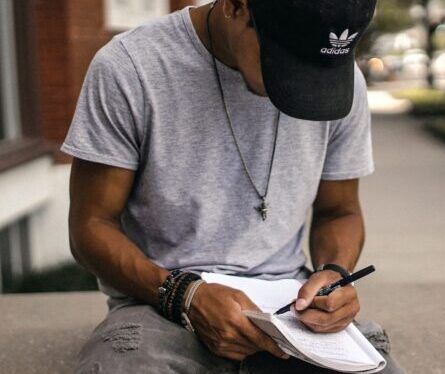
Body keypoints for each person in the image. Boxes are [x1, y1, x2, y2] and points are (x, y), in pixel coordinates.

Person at [63, 0, 404, 372]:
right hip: (159, 302)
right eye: (287, 59)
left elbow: (339, 210)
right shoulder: (131, 67)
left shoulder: (337, 80)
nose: (303, 82)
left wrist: (335, 275)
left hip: (289, 311)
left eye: (316, 64)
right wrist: (185, 295)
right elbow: (90, 227)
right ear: (236, 6)